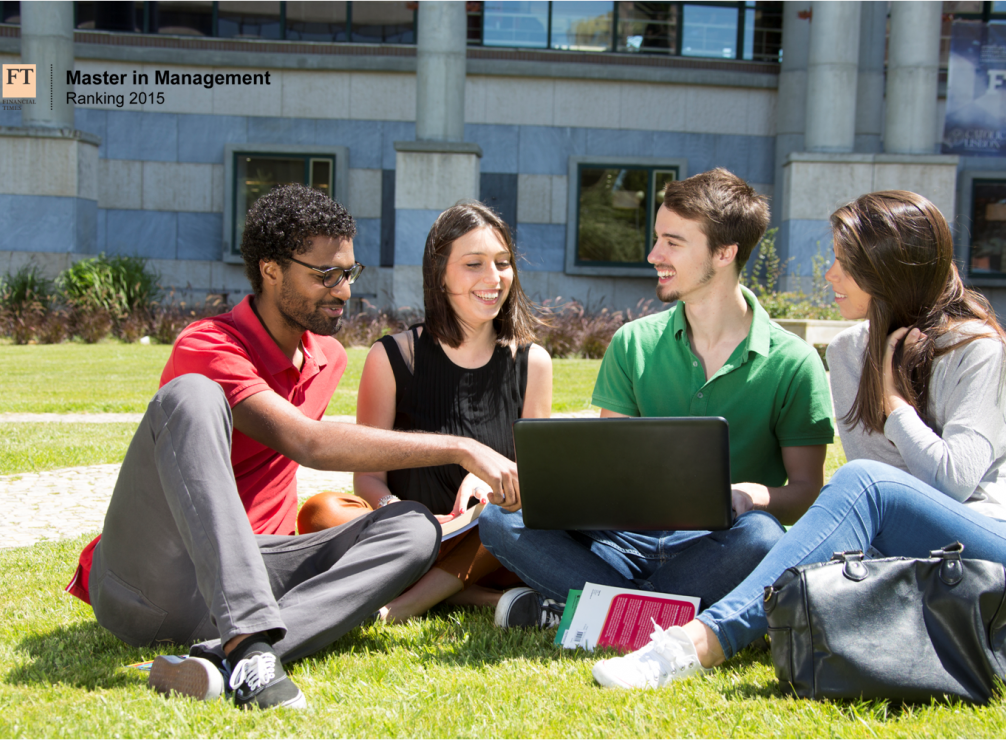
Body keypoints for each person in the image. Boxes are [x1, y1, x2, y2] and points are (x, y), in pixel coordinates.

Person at [590, 190, 1006, 697]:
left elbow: (951, 482)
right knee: (836, 572)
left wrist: (895, 403)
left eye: (844, 263)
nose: (829, 275)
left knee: (860, 485)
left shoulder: (976, 349)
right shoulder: (850, 351)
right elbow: (875, 517)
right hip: (922, 566)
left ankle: (692, 645)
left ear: (891, 269)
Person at [67, 184, 522, 711]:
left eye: (348, 273)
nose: (343, 290)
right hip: (153, 579)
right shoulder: (206, 345)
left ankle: (223, 660)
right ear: (271, 270)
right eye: (323, 274)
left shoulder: (327, 357)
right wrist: (463, 448)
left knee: (412, 526)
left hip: (262, 577)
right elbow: (307, 441)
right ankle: (247, 647)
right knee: (189, 396)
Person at [479, 168, 835, 629]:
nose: (653, 255)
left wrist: (754, 495)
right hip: (621, 544)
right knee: (500, 519)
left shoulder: (794, 361)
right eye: (656, 239)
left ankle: (602, 609)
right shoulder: (633, 343)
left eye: (673, 242)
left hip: (719, 547)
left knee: (763, 538)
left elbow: (805, 491)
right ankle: (664, 614)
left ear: (725, 253)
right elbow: (611, 469)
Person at [296, 201, 552, 621]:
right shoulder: (394, 356)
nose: (494, 278)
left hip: (486, 542)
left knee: (514, 521)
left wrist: (488, 481)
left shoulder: (532, 362)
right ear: (440, 273)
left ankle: (402, 605)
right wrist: (405, 517)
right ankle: (474, 598)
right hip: (406, 532)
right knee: (321, 512)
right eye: (474, 264)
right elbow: (368, 477)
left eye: (503, 263)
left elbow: (535, 482)